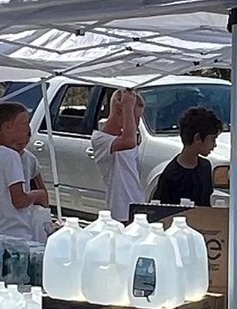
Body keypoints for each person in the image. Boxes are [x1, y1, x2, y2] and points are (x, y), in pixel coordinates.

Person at [0, 100, 52, 242]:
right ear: (7, 127)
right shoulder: (10, 156)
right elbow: (19, 200)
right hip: (14, 236)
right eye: (24, 123)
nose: (28, 128)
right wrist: (37, 194)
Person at [151, 106, 223, 208]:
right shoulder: (170, 175)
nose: (214, 145)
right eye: (213, 139)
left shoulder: (205, 166)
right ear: (198, 138)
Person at [89, 88, 144, 220]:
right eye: (135, 117)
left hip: (136, 205)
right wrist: (127, 109)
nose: (136, 123)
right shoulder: (100, 139)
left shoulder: (124, 136)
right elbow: (129, 142)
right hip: (120, 209)